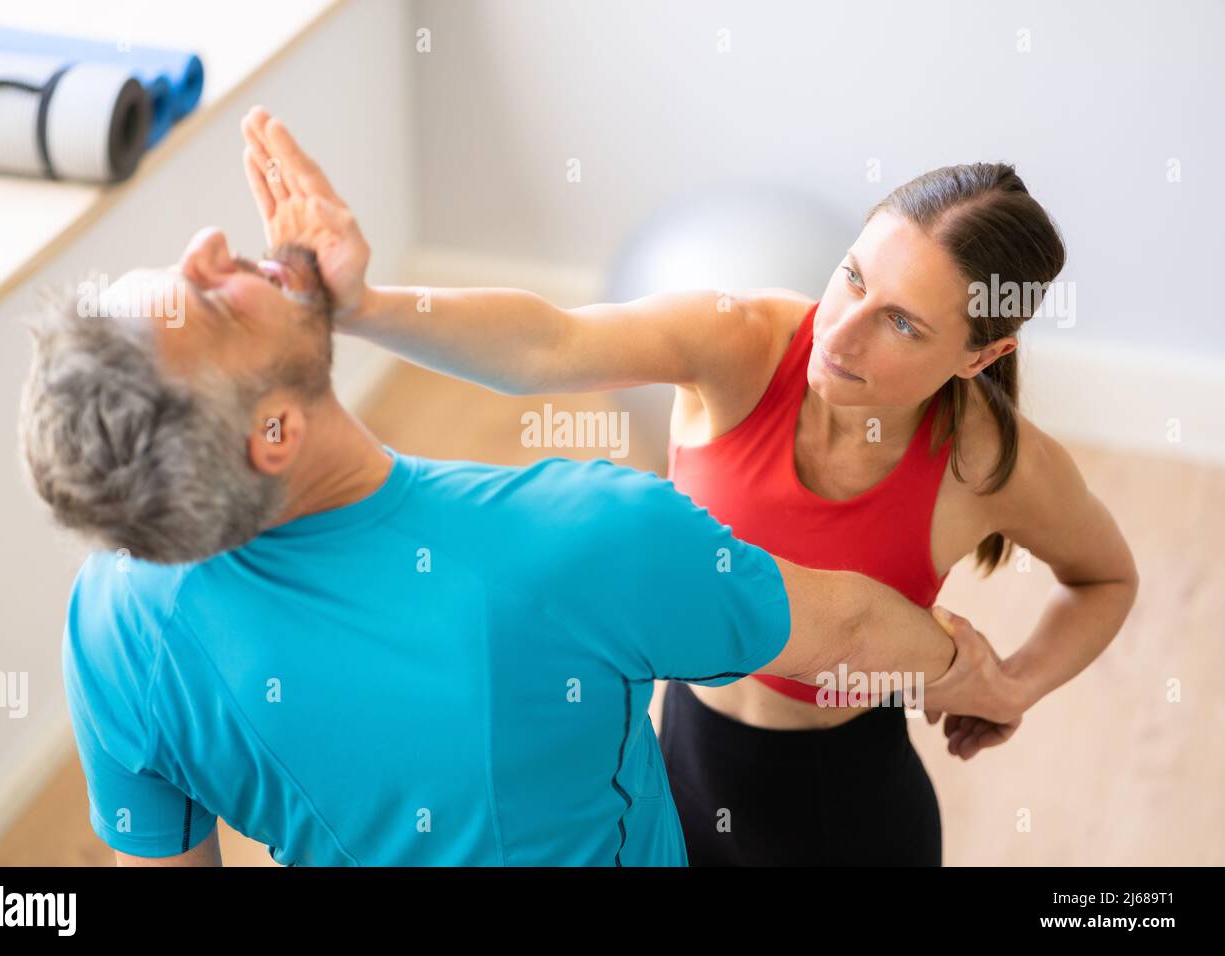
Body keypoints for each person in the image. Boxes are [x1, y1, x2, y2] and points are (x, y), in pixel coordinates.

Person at [236, 107, 1139, 865]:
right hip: (678, 754)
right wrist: (361, 306)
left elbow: (1106, 578)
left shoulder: (990, 462)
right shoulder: (741, 343)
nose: (841, 331)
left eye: (901, 323)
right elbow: (547, 343)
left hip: (849, 807)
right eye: (852, 276)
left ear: (981, 354)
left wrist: (1015, 684)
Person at [17, 221, 1011, 867]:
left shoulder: (112, 611)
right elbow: (833, 629)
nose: (208, 241)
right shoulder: (578, 539)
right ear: (271, 433)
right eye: (208, 299)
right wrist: (968, 669)